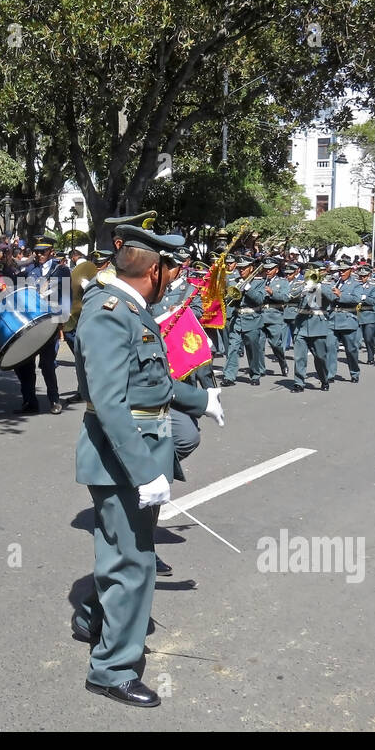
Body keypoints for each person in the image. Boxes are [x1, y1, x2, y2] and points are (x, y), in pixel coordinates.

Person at [69, 225, 219, 708]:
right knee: (133, 562)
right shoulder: (109, 313)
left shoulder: (133, 309)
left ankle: (93, 615)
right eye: (169, 269)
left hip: (141, 448)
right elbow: (110, 402)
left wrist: (201, 398)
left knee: (124, 551)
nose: (172, 278)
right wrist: (144, 471)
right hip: (122, 457)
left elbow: (154, 382)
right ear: (153, 270)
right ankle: (111, 669)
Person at [15, 233, 70, 413]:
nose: (39, 255)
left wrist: (62, 319)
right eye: (37, 252)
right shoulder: (31, 270)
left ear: (51, 252)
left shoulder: (61, 270)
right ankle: (30, 401)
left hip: (50, 322)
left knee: (47, 364)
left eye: (43, 252)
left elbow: (66, 297)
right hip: (32, 323)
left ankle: (54, 400)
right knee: (26, 363)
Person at [289, 261, 334, 392]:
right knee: (299, 356)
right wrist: (303, 287)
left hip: (318, 325)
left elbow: (332, 297)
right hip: (301, 325)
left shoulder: (326, 284)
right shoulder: (301, 284)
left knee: (320, 357)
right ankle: (299, 383)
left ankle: (324, 379)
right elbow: (289, 295)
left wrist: (318, 286)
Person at [225, 256, 266, 385]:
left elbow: (260, 300)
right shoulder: (233, 281)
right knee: (232, 348)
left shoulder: (259, 282)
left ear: (251, 268)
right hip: (237, 319)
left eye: (244, 268)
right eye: (239, 268)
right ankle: (229, 376)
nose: (241, 270)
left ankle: (255, 374)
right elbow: (229, 302)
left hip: (252, 319)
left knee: (252, 349)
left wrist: (248, 288)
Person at [327, 260, 363, 382]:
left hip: (347, 320)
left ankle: (354, 372)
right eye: (340, 270)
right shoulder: (334, 282)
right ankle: (330, 374)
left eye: (344, 270)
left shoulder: (356, 284)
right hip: (333, 320)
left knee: (351, 349)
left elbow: (357, 299)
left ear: (350, 270)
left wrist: (340, 295)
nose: (341, 273)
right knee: (330, 347)